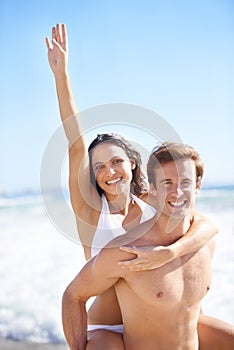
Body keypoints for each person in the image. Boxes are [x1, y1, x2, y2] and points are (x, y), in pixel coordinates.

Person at [45, 23, 219, 349]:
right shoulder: (89, 213)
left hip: (162, 314)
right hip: (109, 325)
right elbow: (75, 144)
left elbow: (206, 225)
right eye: (99, 166)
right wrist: (61, 74)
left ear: (132, 163)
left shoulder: (154, 201)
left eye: (116, 161)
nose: (109, 171)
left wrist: (171, 251)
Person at [62, 142, 234, 350]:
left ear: (198, 185)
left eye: (185, 182)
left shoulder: (204, 243)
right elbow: (73, 295)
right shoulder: (128, 252)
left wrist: (171, 252)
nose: (177, 192)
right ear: (153, 188)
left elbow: (187, 307)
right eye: (167, 183)